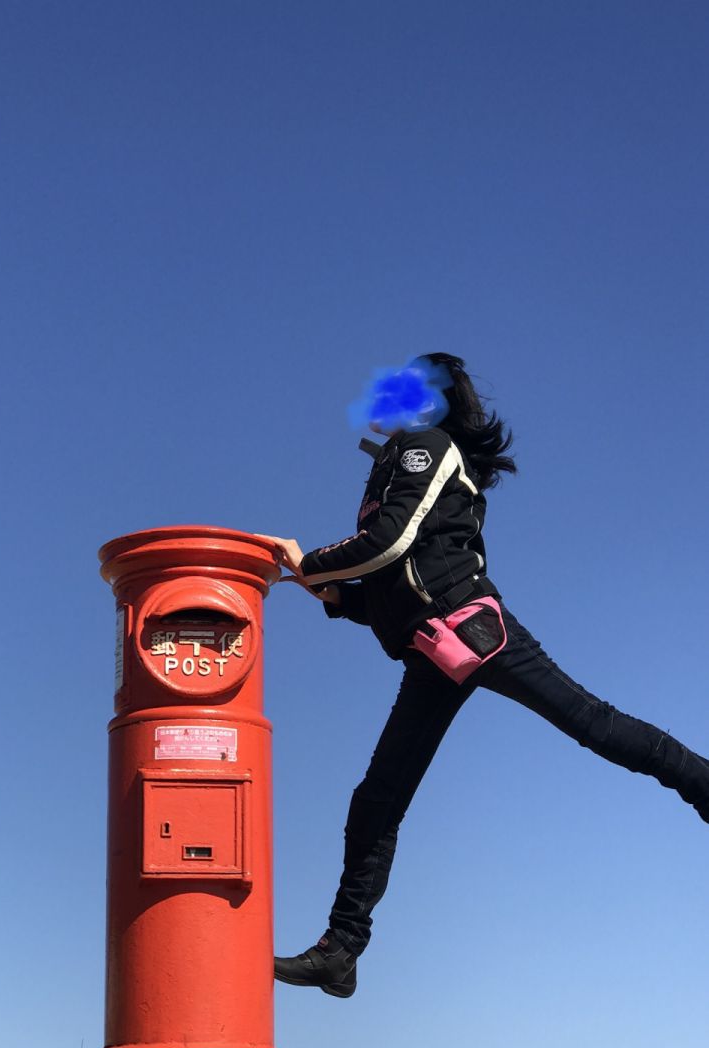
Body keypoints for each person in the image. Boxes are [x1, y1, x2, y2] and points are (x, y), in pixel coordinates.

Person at [263, 351, 709, 1000]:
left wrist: (312, 565)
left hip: (473, 628)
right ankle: (343, 951)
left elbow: (389, 542)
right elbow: (392, 585)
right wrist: (334, 597)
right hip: (431, 650)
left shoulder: (425, 445)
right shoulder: (397, 460)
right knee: (377, 800)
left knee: (593, 723)